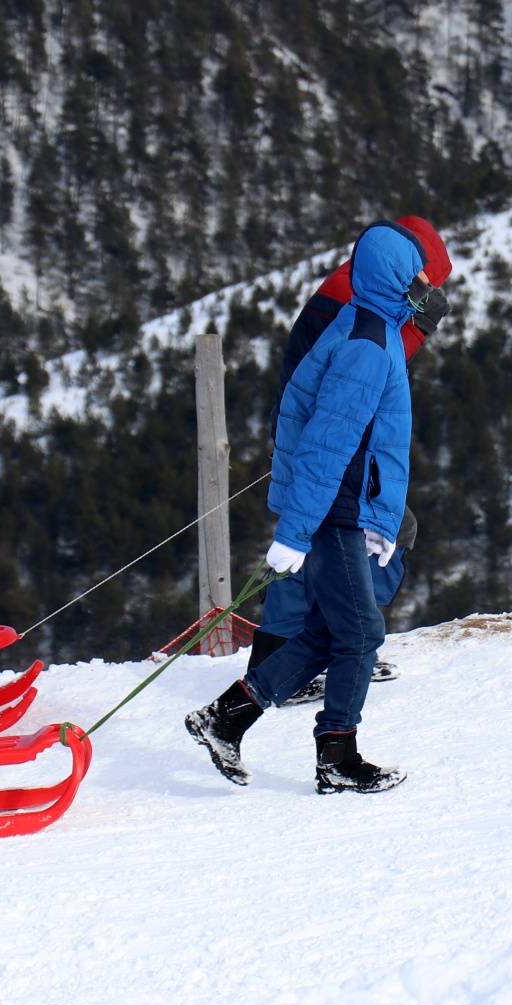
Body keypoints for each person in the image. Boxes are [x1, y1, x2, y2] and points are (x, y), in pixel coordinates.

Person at [185, 221, 430, 793]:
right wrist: (295, 533)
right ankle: (337, 758)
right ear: (393, 276)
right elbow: (327, 443)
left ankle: (225, 718)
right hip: (335, 508)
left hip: (345, 503)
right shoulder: (368, 346)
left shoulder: (373, 324)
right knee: (361, 633)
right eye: (416, 274)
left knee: (326, 631)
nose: (426, 284)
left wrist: (381, 516)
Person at [248, 215, 452, 702]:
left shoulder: (362, 281)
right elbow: (365, 369)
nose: (427, 290)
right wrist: (420, 325)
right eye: (426, 279)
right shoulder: (361, 300)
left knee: (345, 540)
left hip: (327, 434)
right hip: (333, 442)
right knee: (343, 540)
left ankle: (329, 647)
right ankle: (325, 651)